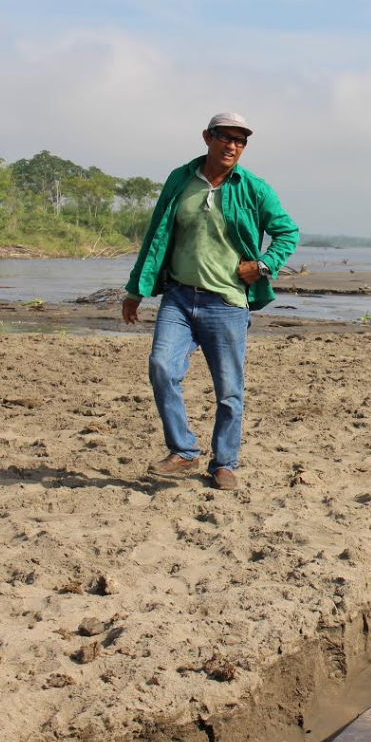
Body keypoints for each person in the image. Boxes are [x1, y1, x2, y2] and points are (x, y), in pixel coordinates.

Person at [122, 112, 299, 490]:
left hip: (228, 303)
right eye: (225, 137)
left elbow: (287, 233)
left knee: (229, 390)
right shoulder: (180, 179)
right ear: (207, 137)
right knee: (161, 367)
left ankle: (224, 463)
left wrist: (264, 265)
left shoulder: (254, 187)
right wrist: (136, 290)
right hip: (179, 297)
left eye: (240, 140)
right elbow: (156, 234)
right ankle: (184, 451)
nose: (232, 145)